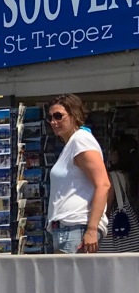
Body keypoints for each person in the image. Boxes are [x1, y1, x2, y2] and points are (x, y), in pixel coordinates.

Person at [46, 94, 110, 254]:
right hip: (68, 228)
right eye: (50, 117)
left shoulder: (80, 141)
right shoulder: (72, 144)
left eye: (59, 116)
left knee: (72, 279)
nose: (53, 122)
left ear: (74, 115)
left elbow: (103, 184)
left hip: (76, 227)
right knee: (66, 279)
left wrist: (92, 229)